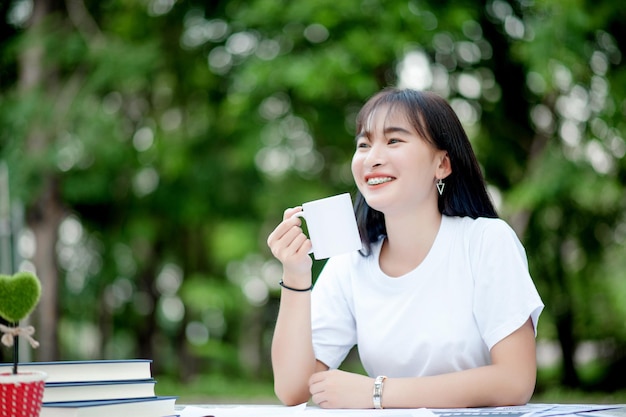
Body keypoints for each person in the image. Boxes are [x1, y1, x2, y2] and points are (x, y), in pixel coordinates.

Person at [266, 88, 544, 409]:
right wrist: (296, 274)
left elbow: (515, 381)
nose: (372, 158)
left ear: (442, 164)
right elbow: (292, 389)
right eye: (363, 145)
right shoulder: (351, 261)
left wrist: (377, 393)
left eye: (394, 140)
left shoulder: (486, 241)